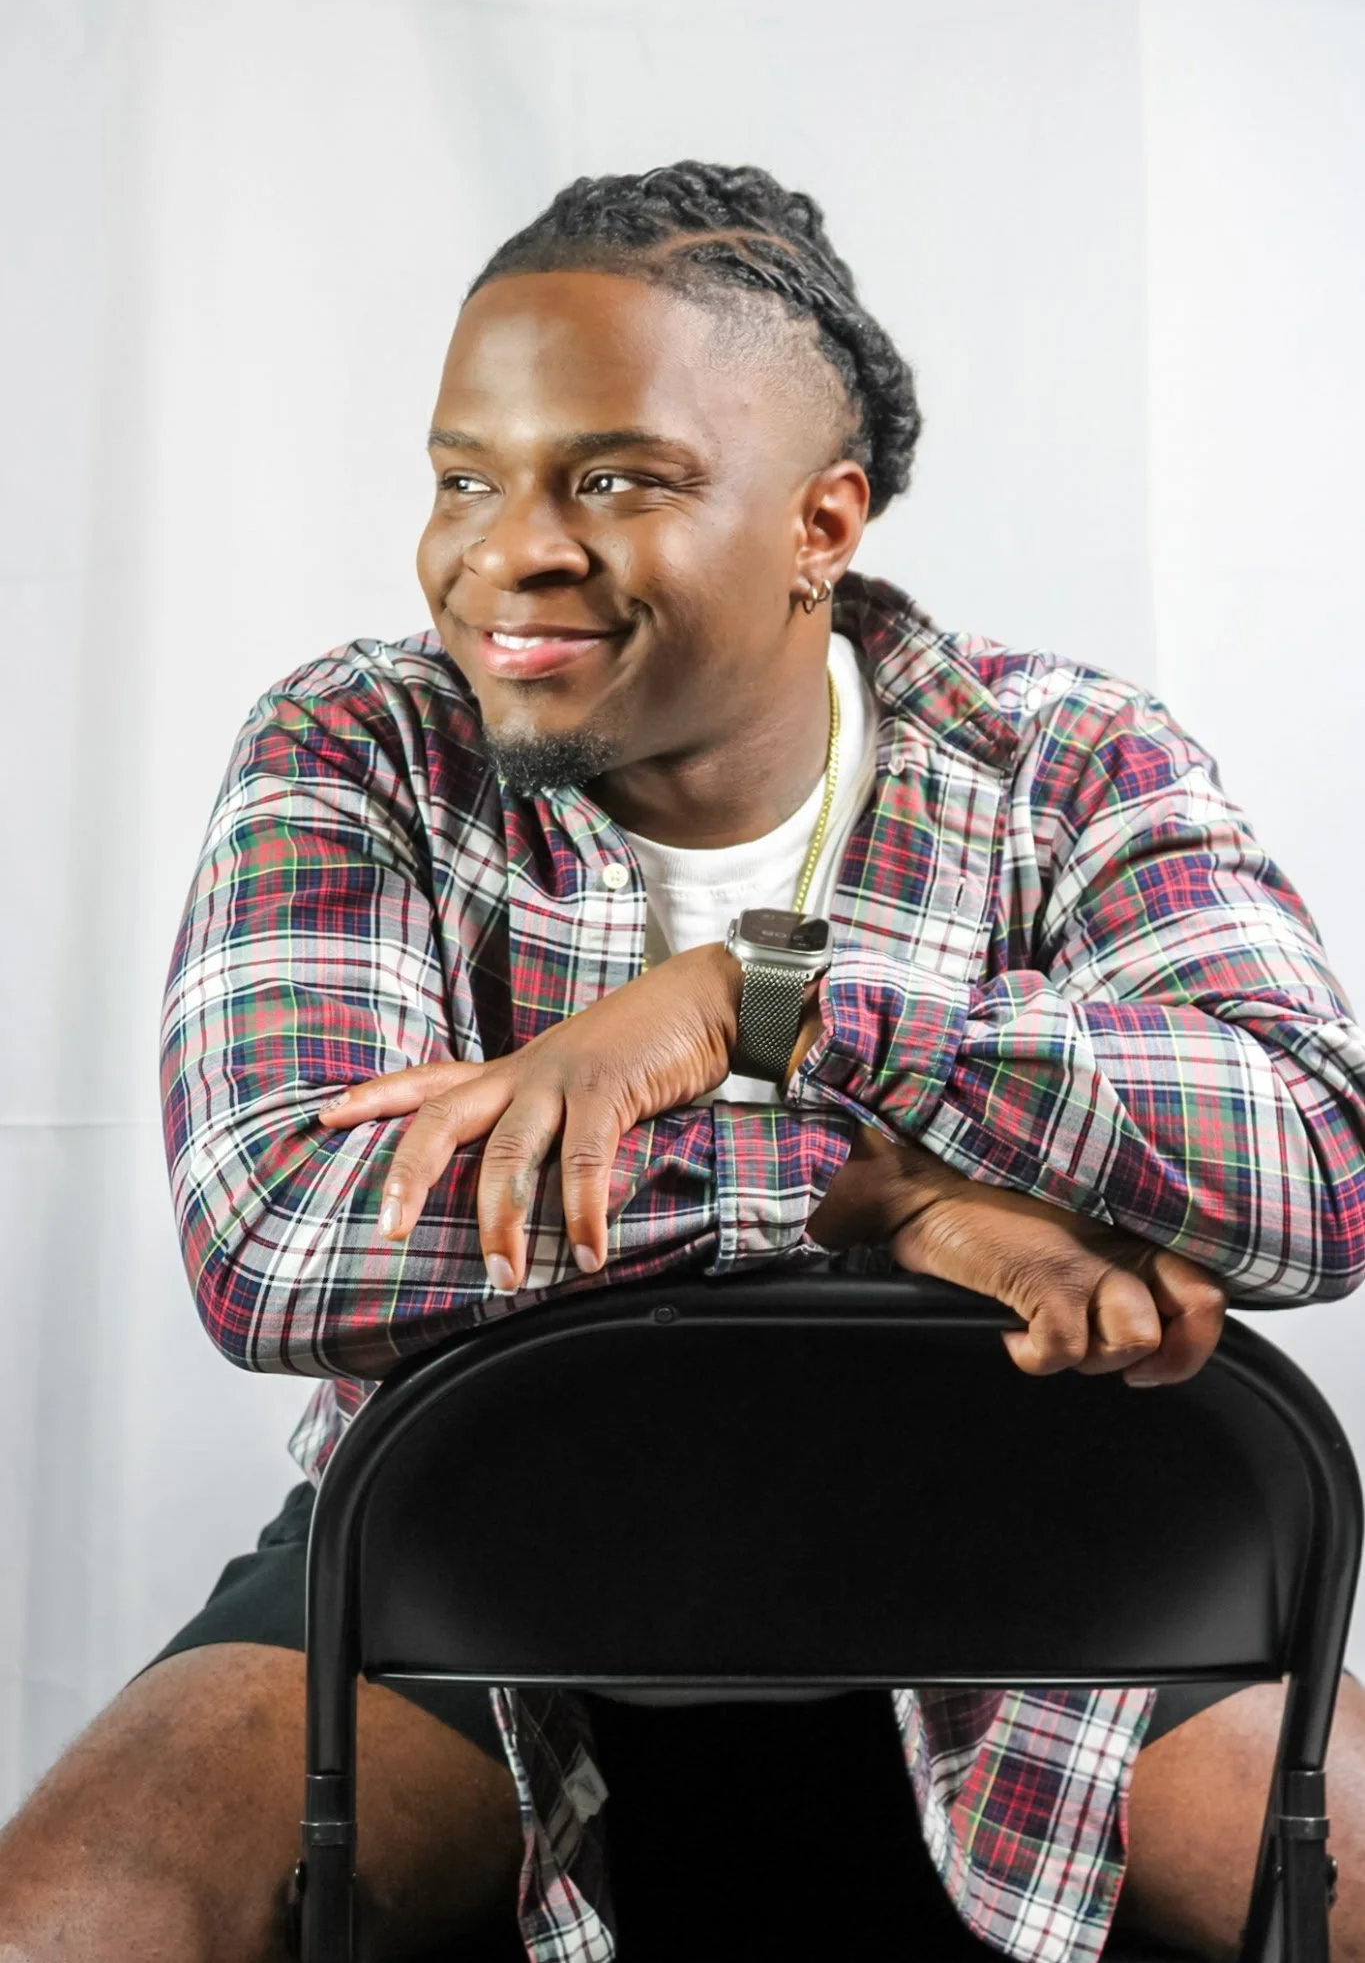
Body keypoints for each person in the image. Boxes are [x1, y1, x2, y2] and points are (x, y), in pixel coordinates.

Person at [2, 161, 1363, 1963]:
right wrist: (885, 1199)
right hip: (481, 1565)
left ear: (821, 522)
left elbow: (1318, 1161)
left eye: (616, 479)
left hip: (1032, 1560)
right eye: (466, 478)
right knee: (76, 1916)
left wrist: (766, 1003)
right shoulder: (360, 745)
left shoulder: (1066, 756)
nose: (507, 549)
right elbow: (282, 1239)